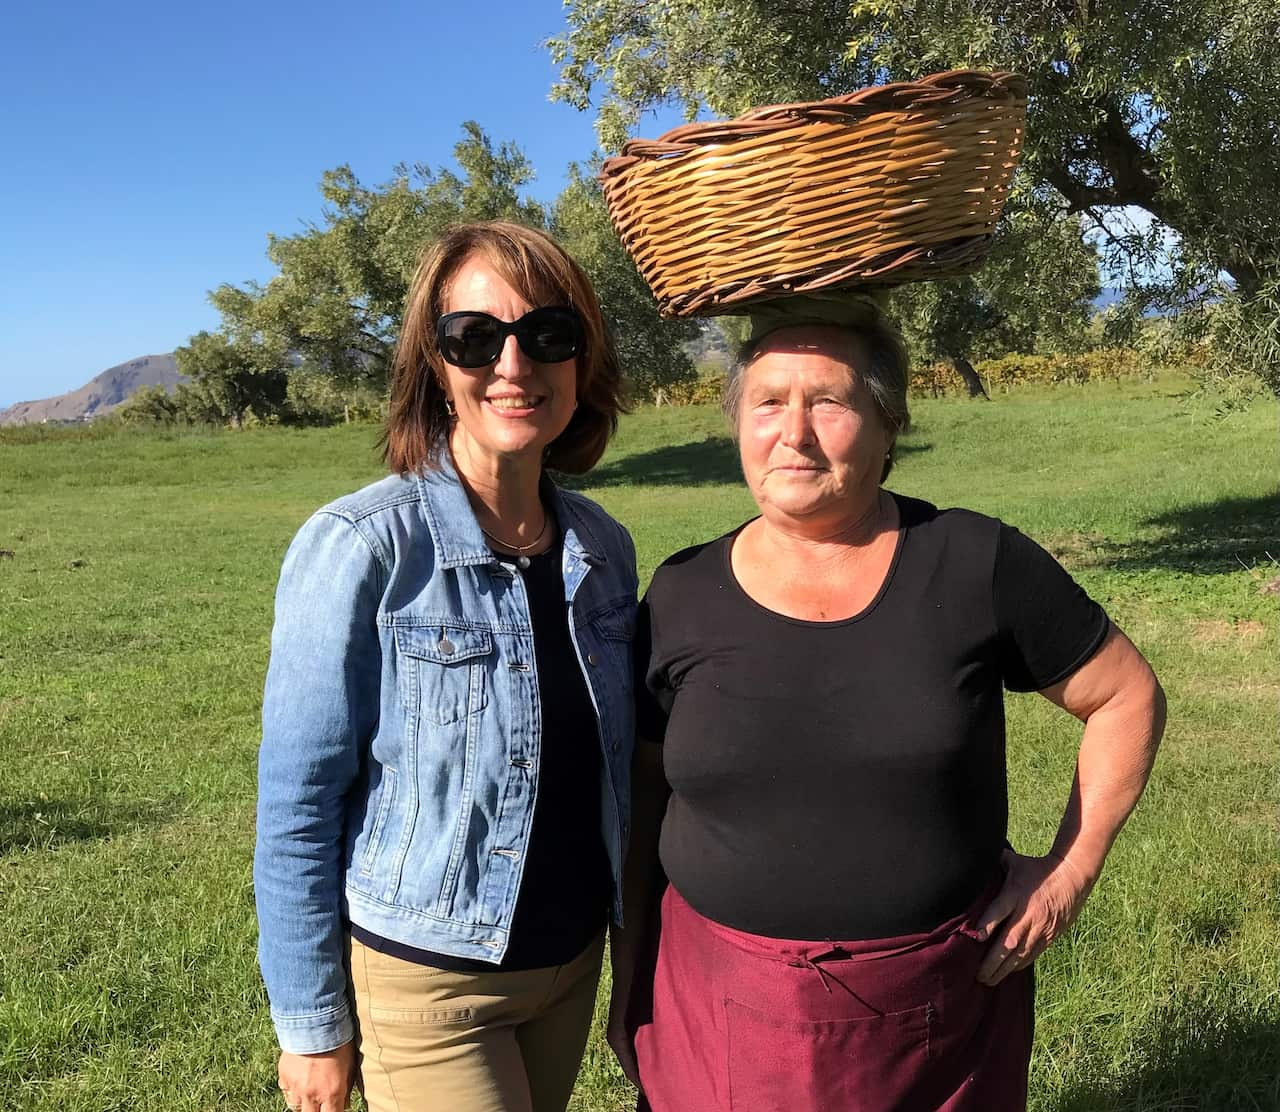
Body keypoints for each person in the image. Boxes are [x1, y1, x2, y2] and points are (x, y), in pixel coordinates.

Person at [610, 302, 1166, 1111]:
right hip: (718, 1005)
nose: (792, 432)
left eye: (828, 402)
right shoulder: (682, 591)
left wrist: (1069, 873)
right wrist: (631, 976)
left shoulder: (974, 562)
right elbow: (645, 790)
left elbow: (1125, 695)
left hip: (939, 1011)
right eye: (768, 402)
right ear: (737, 423)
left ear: (886, 425)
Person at [254, 221, 638, 1112]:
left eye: (548, 334)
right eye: (475, 336)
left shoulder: (603, 549)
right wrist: (312, 1025)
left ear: (581, 362)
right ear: (436, 363)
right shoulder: (364, 545)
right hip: (429, 981)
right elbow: (299, 801)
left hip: (568, 964)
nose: (514, 365)